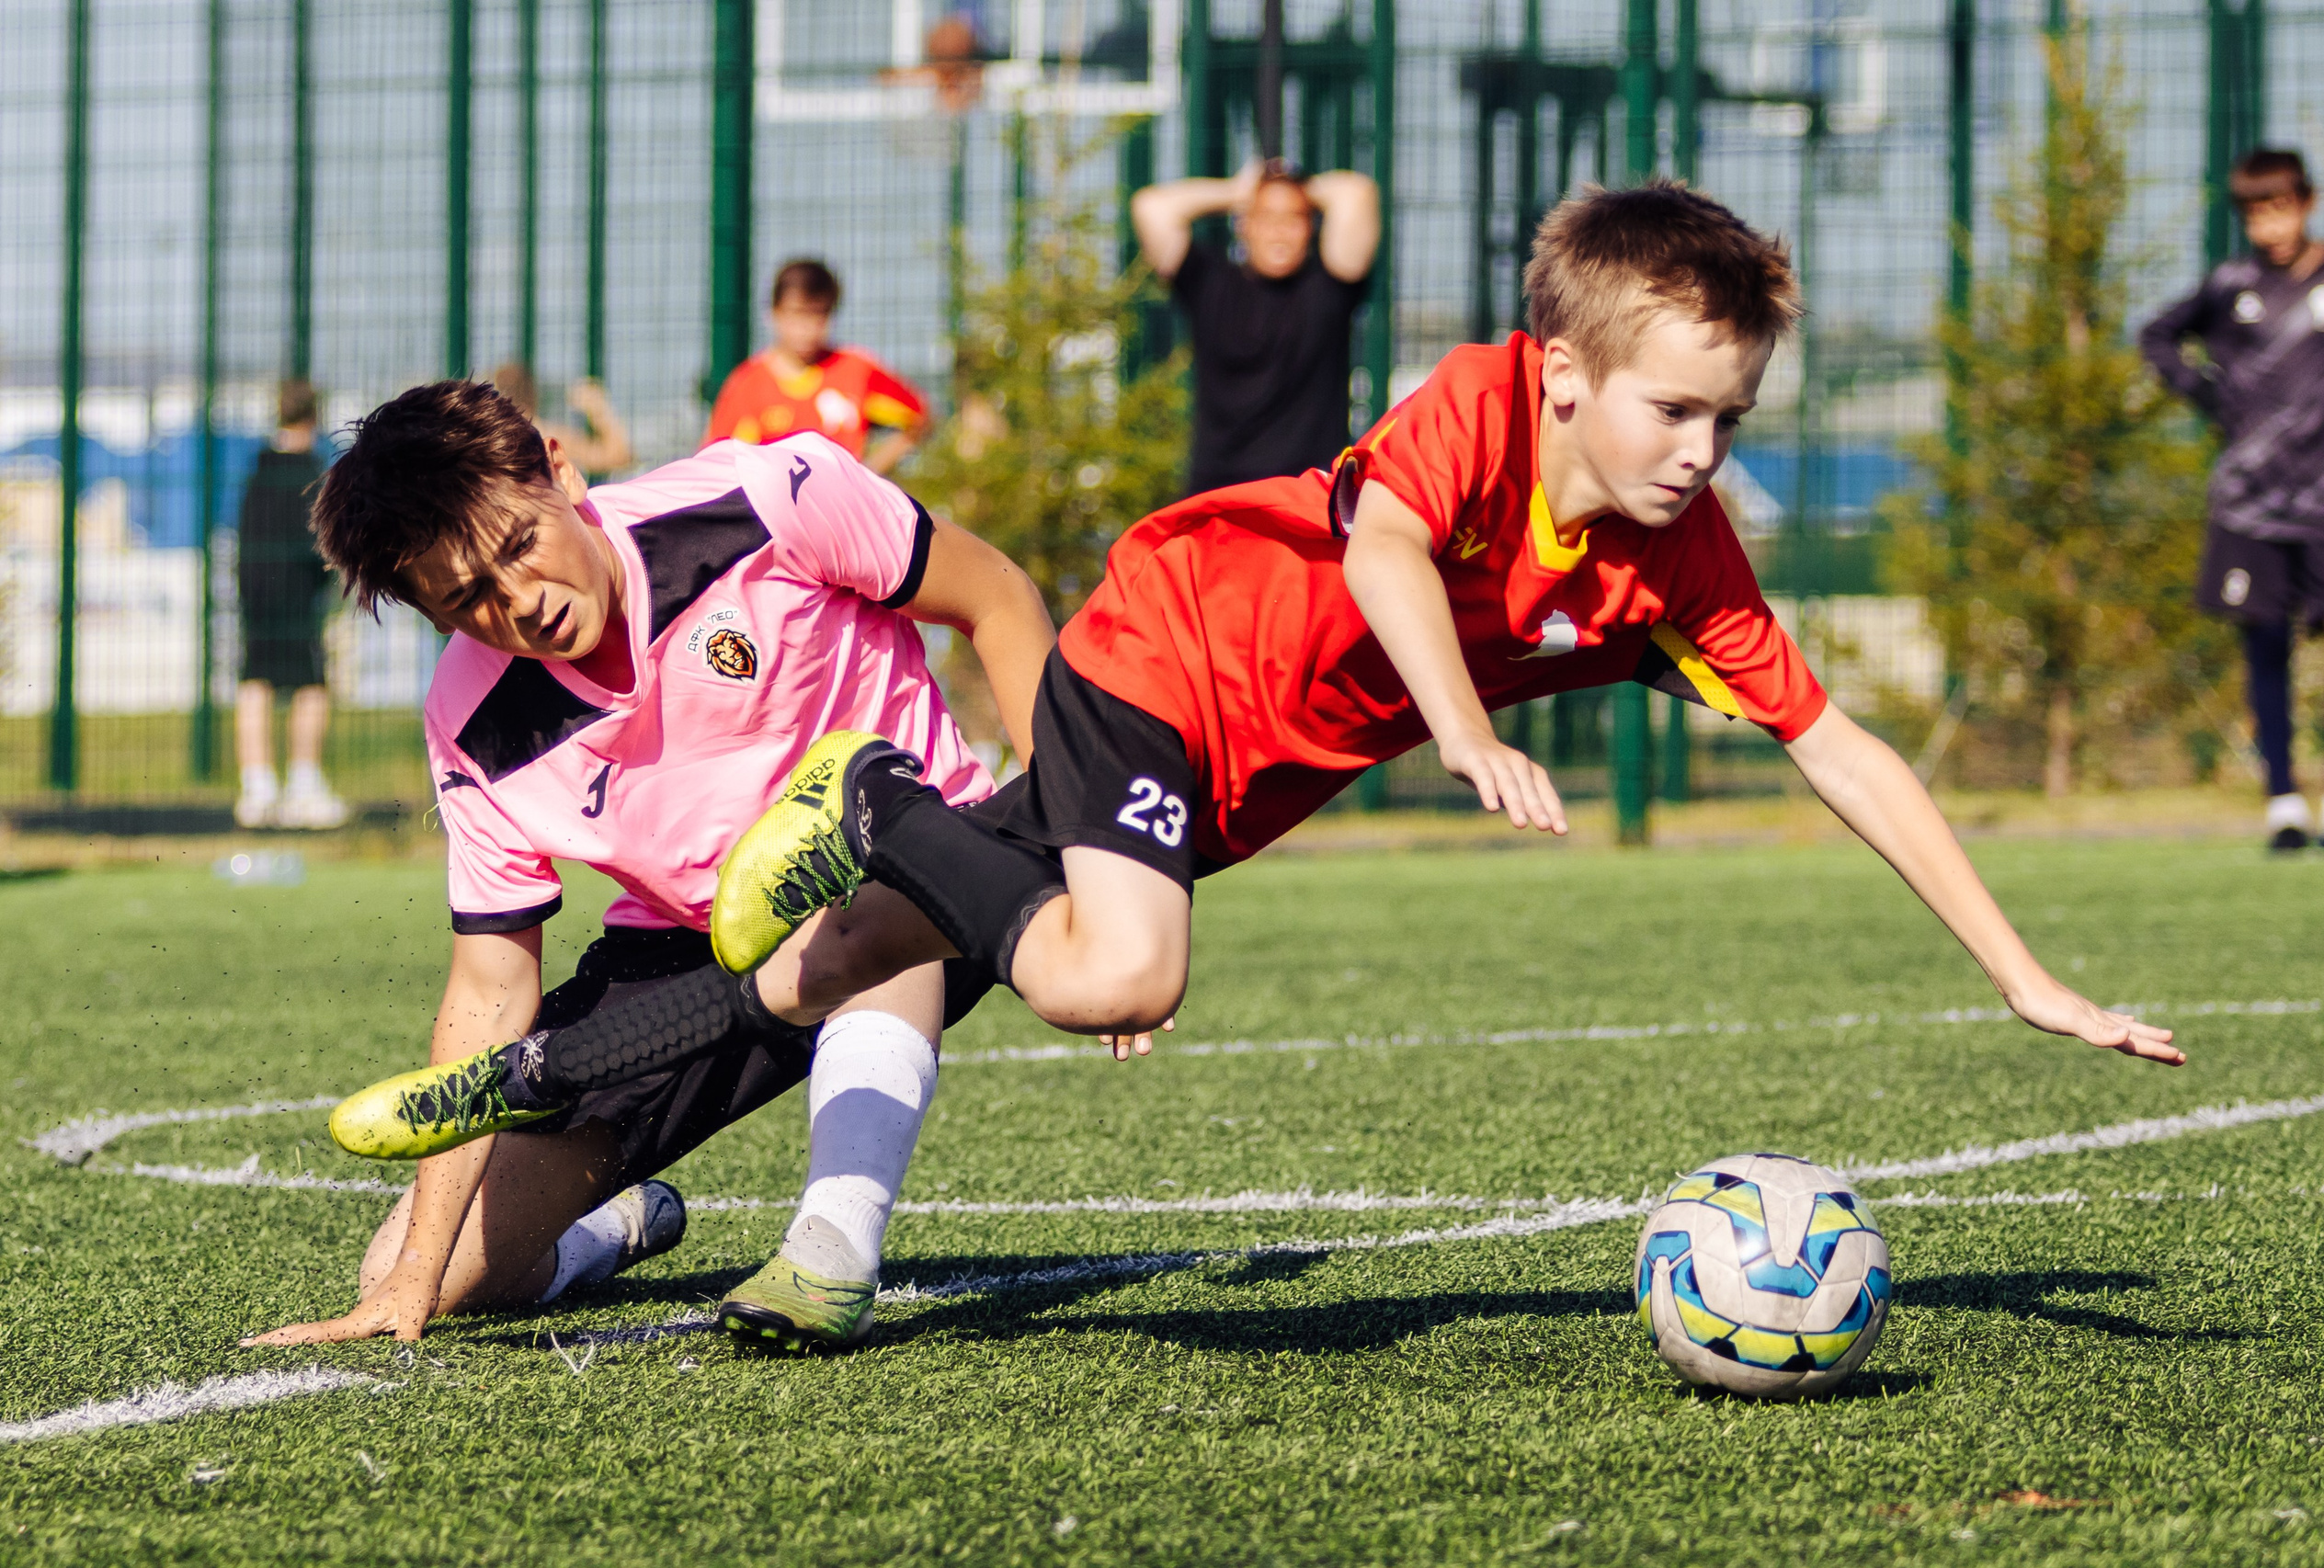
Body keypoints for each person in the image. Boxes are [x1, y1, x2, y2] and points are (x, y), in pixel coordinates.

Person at [358, 183, 2184, 1330]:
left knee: (844, 969)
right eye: (1674, 407)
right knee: (1113, 973)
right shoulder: (1481, 402)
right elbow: (1385, 548)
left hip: (1225, 777)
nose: (1704, 449)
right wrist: (1458, 728)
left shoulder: (1682, 562)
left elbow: (1842, 748)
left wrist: (2023, 973)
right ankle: (880, 807)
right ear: (1564, 372)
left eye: (1730, 413)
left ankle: (688, 1125)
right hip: (1162, 651)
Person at [240, 380, 1054, 1354]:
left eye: (519, 545)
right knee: (424, 1270)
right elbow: (491, 987)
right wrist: (415, 1277)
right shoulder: (470, 721)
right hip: (685, 944)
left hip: (908, 859)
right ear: (433, 615)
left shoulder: (767, 497)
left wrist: (1075, 853)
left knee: (865, 882)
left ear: (560, 470)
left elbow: (997, 597)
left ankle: (833, 1245)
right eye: (469, 599)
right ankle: (615, 1228)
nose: (520, 601)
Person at [2140, 148, 2324, 852]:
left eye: (2279, 209)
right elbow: (2157, 335)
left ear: (2305, 204)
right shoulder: (2231, 285)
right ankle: (2283, 799)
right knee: (2266, 644)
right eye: (2254, 213)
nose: (2268, 225)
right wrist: (2207, 394)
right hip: (2251, 502)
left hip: (2322, 500)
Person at [1130, 159, 1382, 494]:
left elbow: (1358, 194)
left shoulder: (1328, 289)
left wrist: (1293, 185)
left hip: (1306, 498)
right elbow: (1151, 207)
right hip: (1218, 496)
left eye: (1293, 218)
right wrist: (1236, 191)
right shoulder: (1211, 284)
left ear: (1310, 228)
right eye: (1266, 217)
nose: (1279, 231)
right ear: (1244, 224)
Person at [234, 379, 347, 830]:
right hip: (300, 596)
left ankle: (257, 788)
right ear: (313, 418)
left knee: (255, 680)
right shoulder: (313, 474)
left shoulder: (257, 471)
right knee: (311, 685)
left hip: (256, 595)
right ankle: (304, 785)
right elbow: (321, 544)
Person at [704, 260, 932, 474]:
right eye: (797, 313)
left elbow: (920, 419)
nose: (806, 327)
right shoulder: (747, 384)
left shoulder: (856, 370)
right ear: (774, 313)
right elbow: (715, 464)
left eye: (817, 315)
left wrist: (866, 475)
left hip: (841, 502)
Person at [490, 362, 636, 478]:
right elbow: (617, 457)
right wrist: (598, 407)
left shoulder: (488, 440)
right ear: (534, 395)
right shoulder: (549, 436)